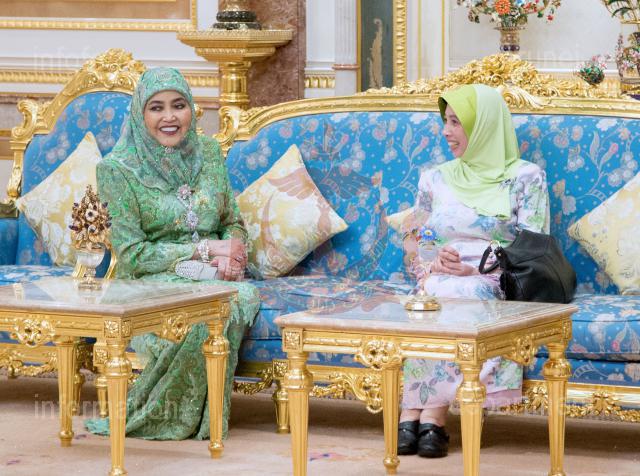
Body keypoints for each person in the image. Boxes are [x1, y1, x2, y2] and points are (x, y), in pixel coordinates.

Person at [85, 67, 260, 440]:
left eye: (179, 105)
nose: (170, 117)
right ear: (140, 114)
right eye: (157, 107)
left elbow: (232, 222)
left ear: (191, 109)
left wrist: (231, 252)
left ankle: (201, 419)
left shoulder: (209, 153)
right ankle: (172, 417)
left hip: (213, 277)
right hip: (148, 284)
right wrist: (205, 248)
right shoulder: (116, 170)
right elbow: (132, 256)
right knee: (204, 315)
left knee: (237, 298)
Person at [398, 84, 549, 458]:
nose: (445, 132)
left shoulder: (525, 177)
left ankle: (428, 415)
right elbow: (415, 238)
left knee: (456, 294)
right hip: (439, 275)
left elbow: (533, 245)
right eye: (445, 121)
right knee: (429, 296)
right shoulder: (435, 177)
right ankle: (418, 414)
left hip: (492, 279)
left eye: (456, 122)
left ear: (483, 126)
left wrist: (480, 268)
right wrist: (431, 261)